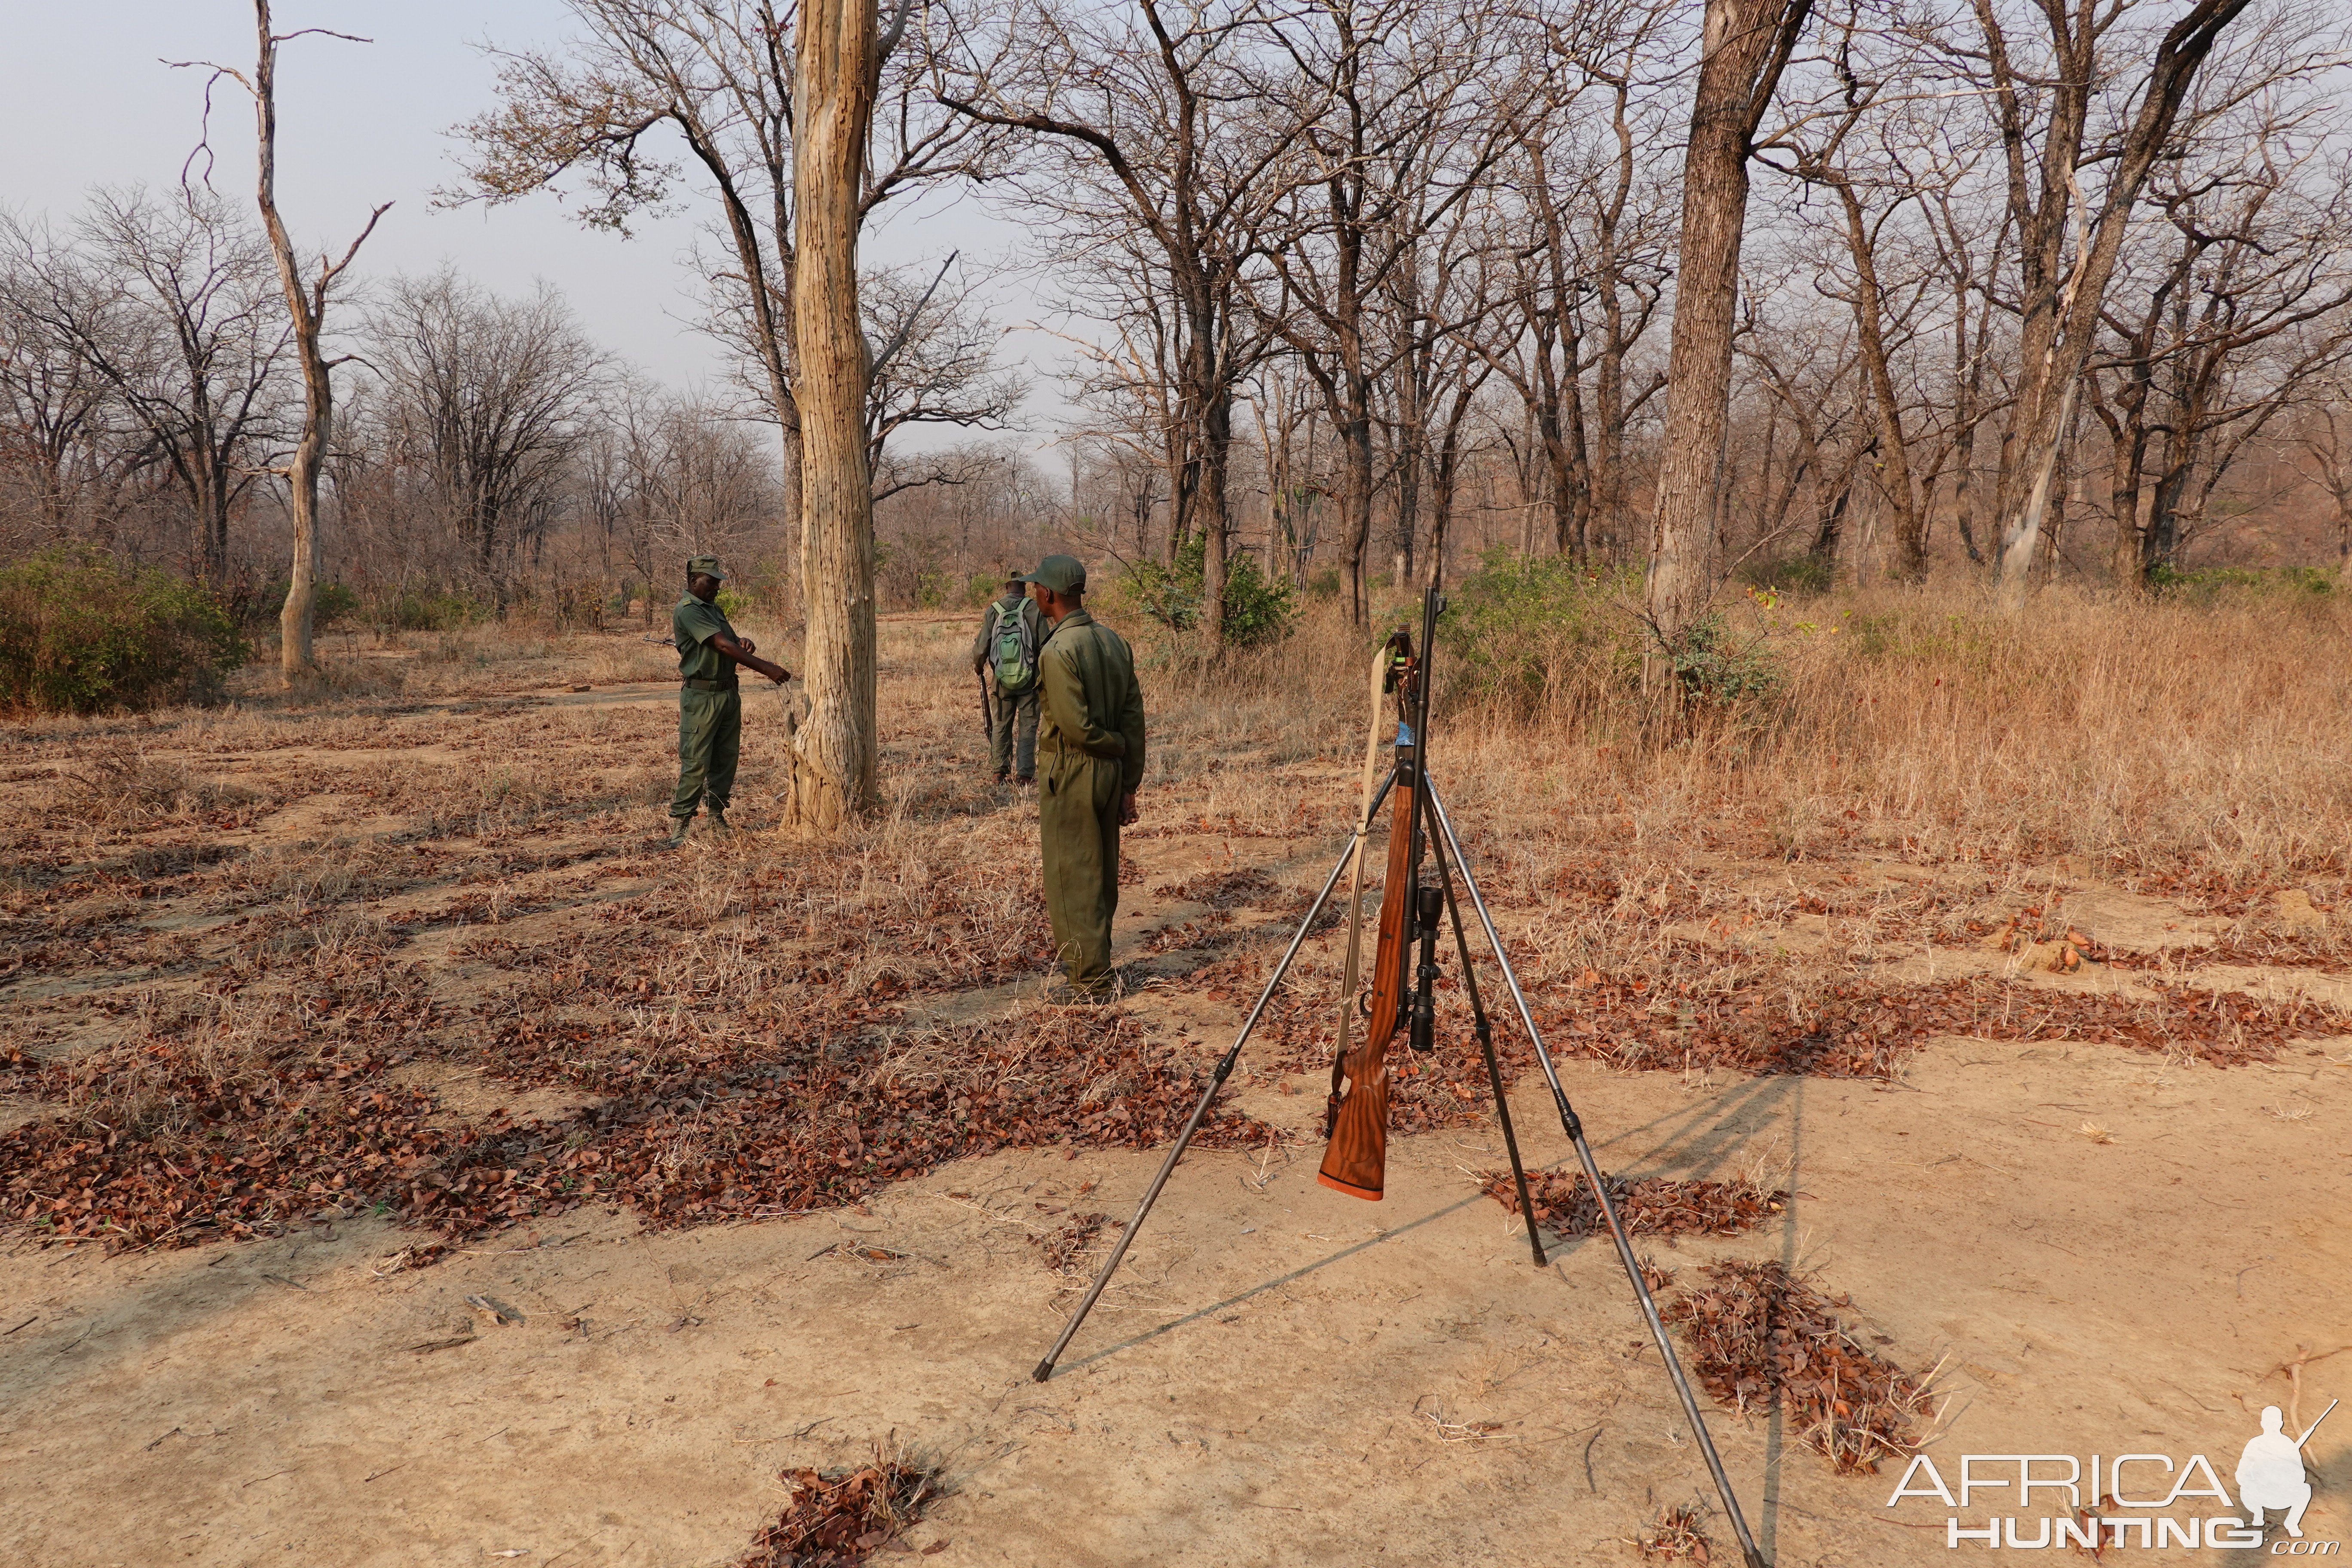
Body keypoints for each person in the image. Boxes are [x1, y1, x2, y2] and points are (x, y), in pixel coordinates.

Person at [1021, 554, 1145, 999]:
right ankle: (1096, 964)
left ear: (1048, 595)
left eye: (1037, 588)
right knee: (1101, 872)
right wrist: (1128, 782)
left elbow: (1077, 728)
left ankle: (1090, 981)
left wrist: (1111, 745)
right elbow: (1134, 718)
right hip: (1110, 774)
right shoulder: (1114, 642)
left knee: (1074, 876)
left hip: (1073, 771)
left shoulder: (1058, 650)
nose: (1034, 593)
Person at [666, 555, 791, 847]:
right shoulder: (687, 611)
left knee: (726, 759)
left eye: (718, 582)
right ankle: (681, 824)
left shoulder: (714, 609)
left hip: (728, 693)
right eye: (711, 582)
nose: (716, 588)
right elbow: (721, 645)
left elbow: (731, 642)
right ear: (693, 580)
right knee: (696, 760)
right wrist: (767, 668)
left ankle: (716, 816)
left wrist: (744, 641)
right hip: (701, 696)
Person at [968, 571, 1042, 784]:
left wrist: (979, 667)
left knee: (1001, 723)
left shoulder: (994, 609)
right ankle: (1025, 775)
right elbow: (1045, 644)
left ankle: (999, 772)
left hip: (1001, 681)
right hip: (1030, 680)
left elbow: (981, 648)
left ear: (1007, 587)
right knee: (1028, 725)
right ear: (1025, 588)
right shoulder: (1034, 608)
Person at [2236, 1405, 2313, 1537]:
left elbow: (2301, 1475)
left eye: (2275, 1423)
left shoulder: (2289, 1445)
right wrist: (2259, 1477)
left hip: (2282, 1495)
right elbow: (2241, 1473)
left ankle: (2292, 1523)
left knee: (2305, 1489)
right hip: (2259, 1494)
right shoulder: (2255, 1444)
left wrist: (2284, 1476)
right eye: (2268, 1423)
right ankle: (2257, 1513)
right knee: (2245, 1487)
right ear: (2262, 1424)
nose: (2272, 1426)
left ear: (2281, 1424)